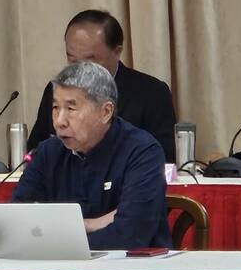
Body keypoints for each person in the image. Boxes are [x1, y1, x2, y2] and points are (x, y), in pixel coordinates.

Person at [13, 62, 172, 250]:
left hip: (129, 266)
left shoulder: (142, 152)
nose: (60, 121)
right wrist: (91, 224)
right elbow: (16, 223)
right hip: (58, 264)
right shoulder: (47, 152)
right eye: (56, 108)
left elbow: (130, 235)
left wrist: (55, 236)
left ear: (106, 112)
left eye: (71, 109)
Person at [27, 10, 177, 162]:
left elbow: (164, 156)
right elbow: (35, 150)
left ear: (117, 52)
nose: (80, 70)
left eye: (89, 61)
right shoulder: (56, 90)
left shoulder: (151, 93)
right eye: (72, 60)